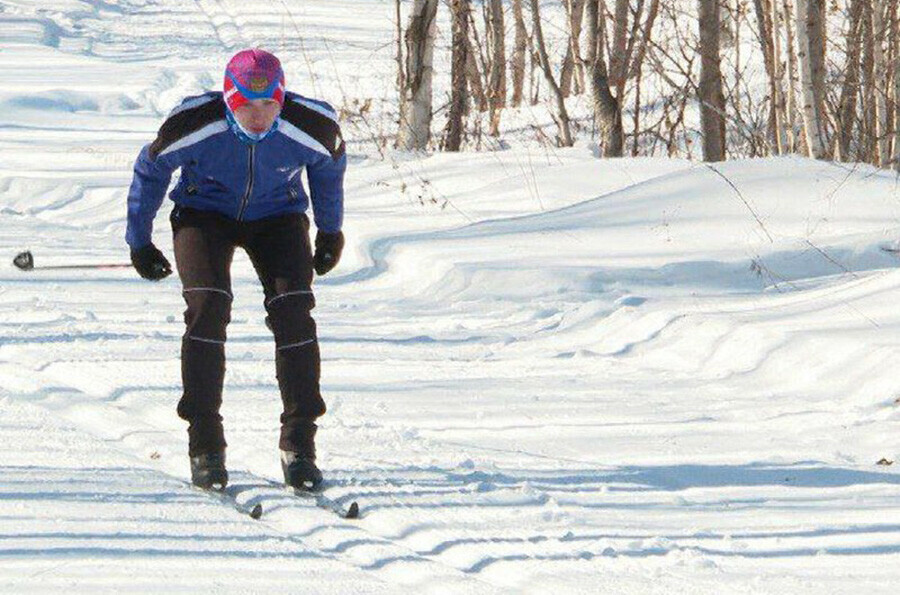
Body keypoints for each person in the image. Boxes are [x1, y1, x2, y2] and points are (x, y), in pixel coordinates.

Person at [125, 48, 346, 491]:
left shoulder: (312, 125)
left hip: (278, 216)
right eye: (246, 105)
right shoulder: (194, 122)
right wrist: (140, 240)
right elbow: (150, 169)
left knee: (294, 312)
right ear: (229, 98)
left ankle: (299, 446)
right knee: (208, 307)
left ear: (283, 98)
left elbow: (329, 167)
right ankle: (205, 444)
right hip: (203, 214)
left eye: (269, 105)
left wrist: (329, 231)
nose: (259, 117)